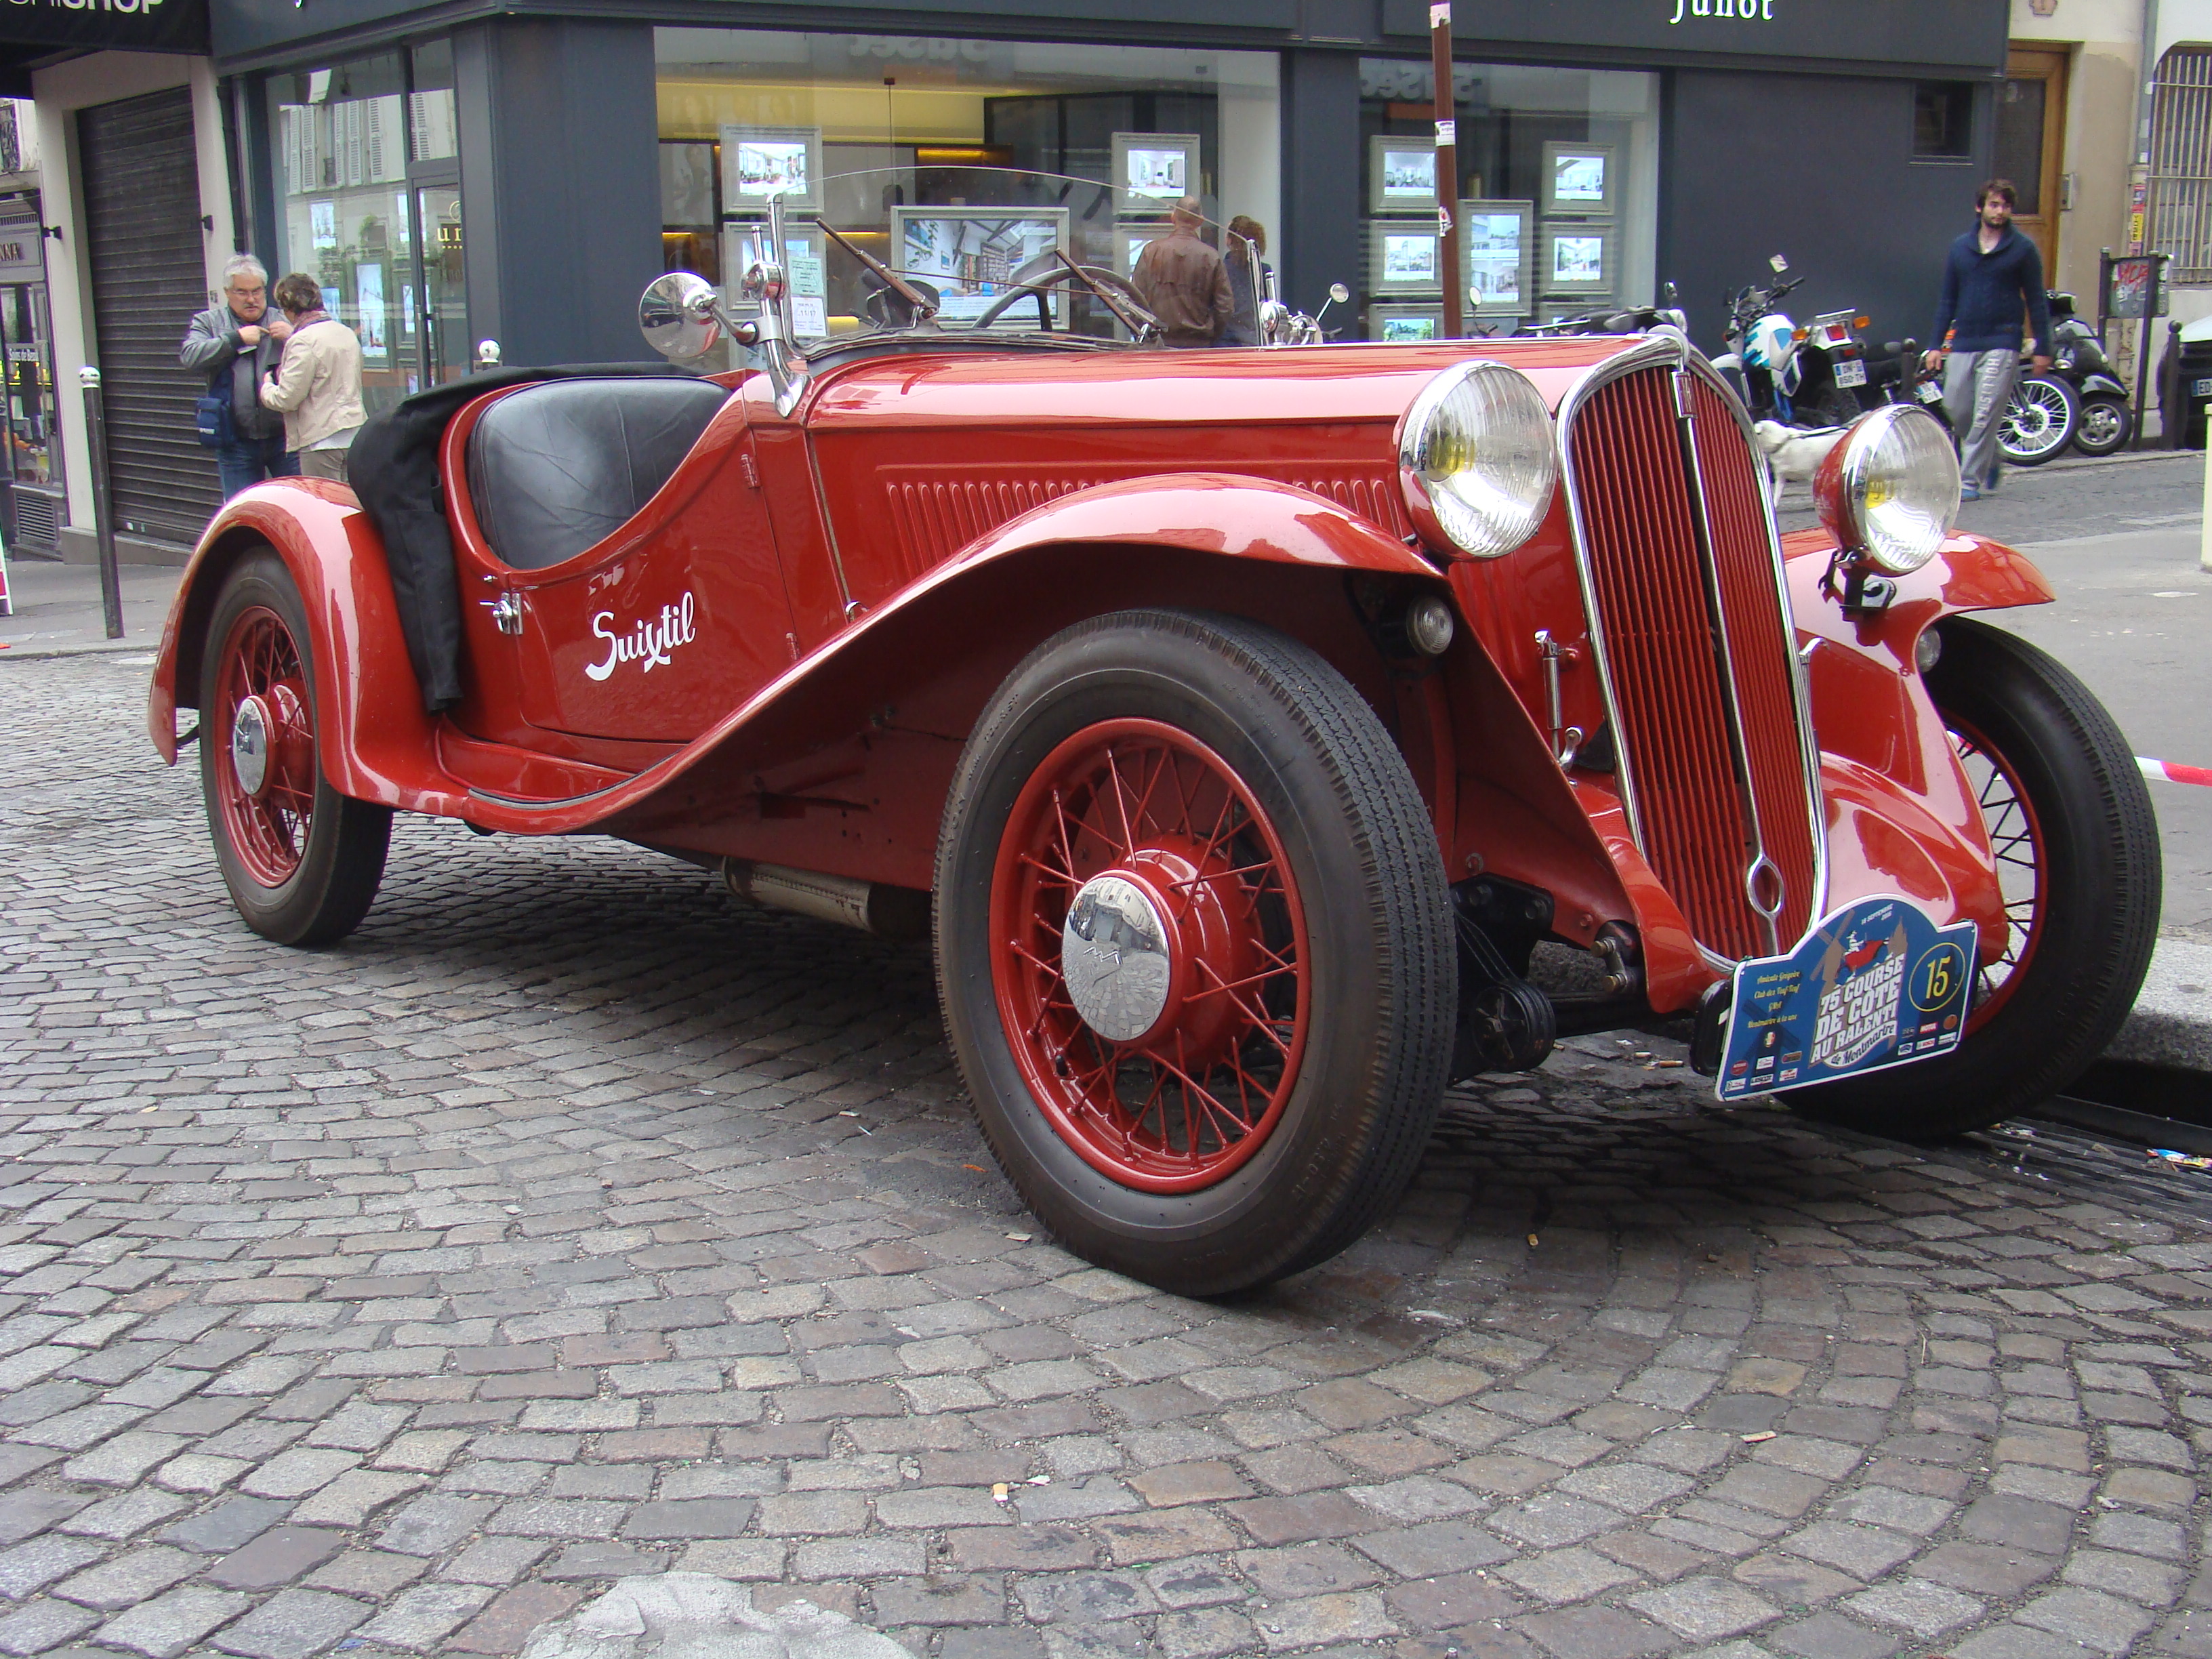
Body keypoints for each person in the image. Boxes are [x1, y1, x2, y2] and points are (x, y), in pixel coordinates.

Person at [1924, 180, 2052, 500]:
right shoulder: (1960, 248)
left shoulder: (2022, 250)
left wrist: (2043, 346)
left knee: (1986, 412)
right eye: (1994, 205)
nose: (2000, 211)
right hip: (1965, 339)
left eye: (2006, 206)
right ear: (1980, 207)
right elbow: (1947, 299)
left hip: (2003, 339)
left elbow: (2036, 299)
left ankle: (1969, 480)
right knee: (1956, 406)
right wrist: (1935, 345)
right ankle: (1991, 454)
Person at [180, 254, 297, 499]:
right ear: (227, 292)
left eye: (257, 291)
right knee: (242, 510)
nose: (251, 299)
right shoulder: (209, 322)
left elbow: (323, 350)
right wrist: (235, 339)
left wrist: (295, 336)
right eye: (242, 292)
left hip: (286, 438)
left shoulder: (284, 319)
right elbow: (190, 356)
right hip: (236, 441)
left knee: (297, 505)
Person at [259, 272, 367, 483]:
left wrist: (267, 386)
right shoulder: (345, 332)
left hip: (321, 439)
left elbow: (286, 398)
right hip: (354, 433)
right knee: (350, 499)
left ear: (288, 309)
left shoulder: (302, 341)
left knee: (323, 499)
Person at [1130, 197, 1232, 349]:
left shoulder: (1151, 252)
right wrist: (1211, 335)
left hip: (1157, 345)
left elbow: (1135, 299)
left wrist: (1145, 334)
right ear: (1200, 221)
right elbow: (1225, 307)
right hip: (1198, 346)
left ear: (1173, 218)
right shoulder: (1211, 257)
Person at [1223, 216, 1271, 347]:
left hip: (1226, 340)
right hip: (1255, 339)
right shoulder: (1263, 270)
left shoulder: (1221, 269)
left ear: (1230, 240)